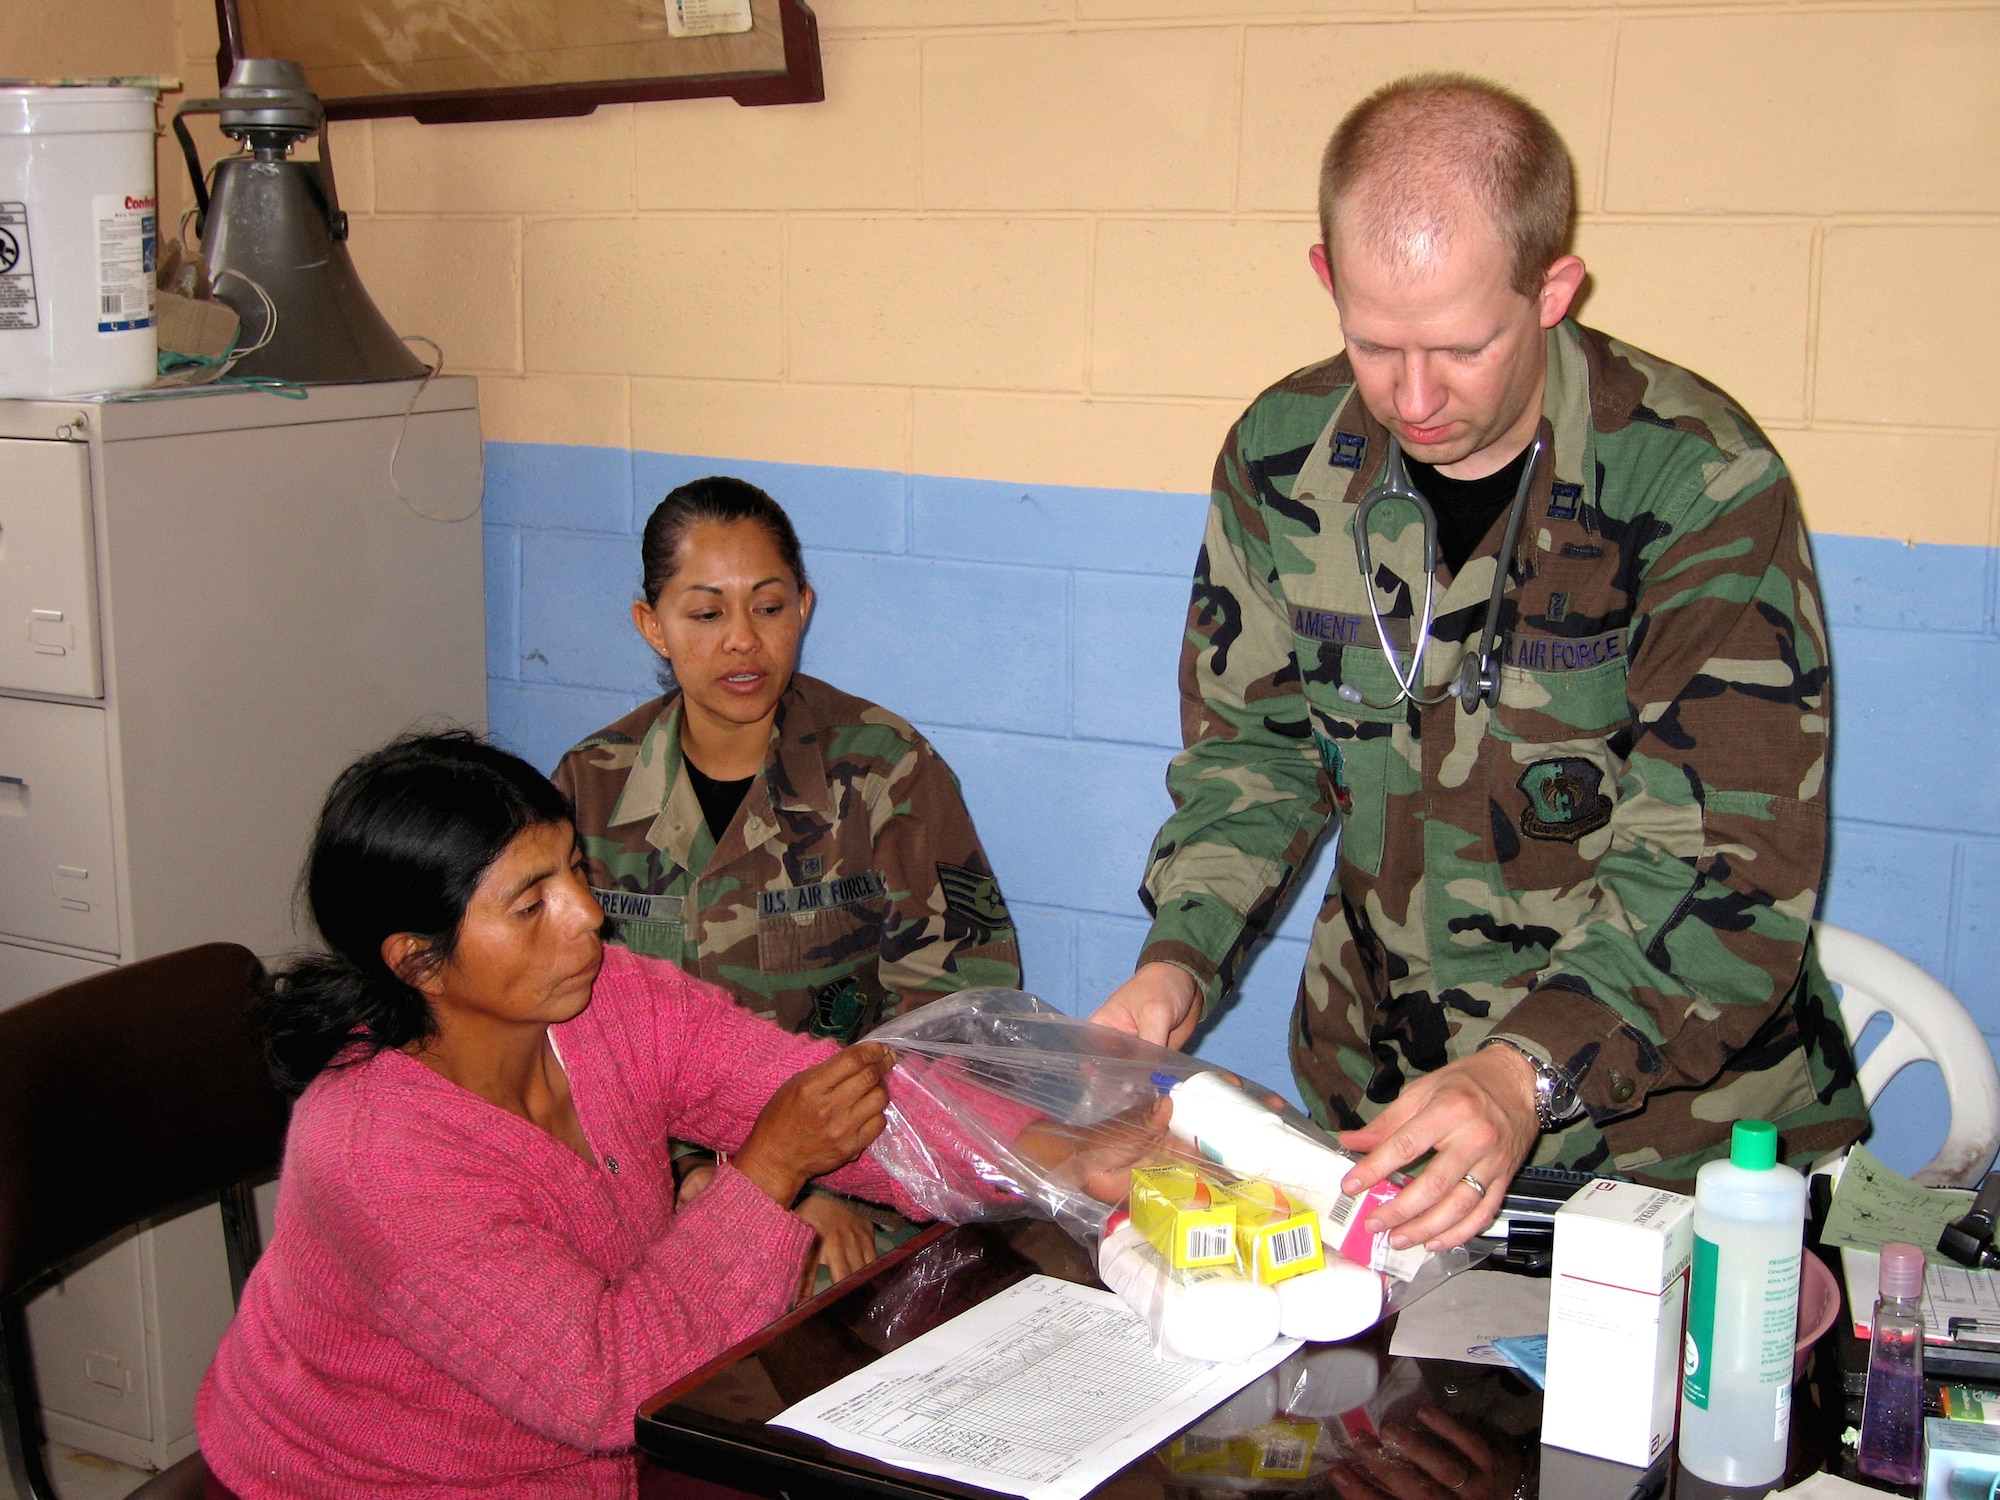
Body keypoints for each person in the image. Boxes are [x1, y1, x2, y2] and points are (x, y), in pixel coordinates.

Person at [1092, 74, 1867, 1253]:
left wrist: (1521, 1074)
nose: (1413, 397)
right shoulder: (1281, 458)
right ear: (1324, 279)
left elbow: (1729, 862)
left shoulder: (1693, 480)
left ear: (1552, 289)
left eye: (1461, 346)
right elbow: (1254, 752)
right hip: (1384, 1115)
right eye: (1371, 343)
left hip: (1667, 1148)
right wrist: (1182, 956)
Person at [195, 733, 944, 1498]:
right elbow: (608, 1385)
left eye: (574, 871)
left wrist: (1045, 1142)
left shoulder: (603, 999)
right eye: (532, 904)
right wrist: (773, 1168)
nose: (587, 914)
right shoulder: (378, 1157)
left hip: (600, 1445)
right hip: (387, 1481)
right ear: (418, 960)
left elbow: (815, 1089)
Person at [553, 475, 1021, 1285]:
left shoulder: (882, 773)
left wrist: (800, 1174)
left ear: (803, 608)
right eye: (705, 613)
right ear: (652, 626)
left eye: (768, 608)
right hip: (649, 1186)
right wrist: (698, 1177)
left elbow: (955, 1017)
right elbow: (559, 1036)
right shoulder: (590, 790)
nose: (742, 640)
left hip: (857, 1176)